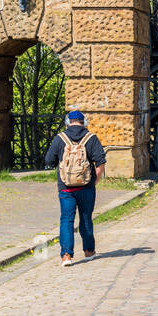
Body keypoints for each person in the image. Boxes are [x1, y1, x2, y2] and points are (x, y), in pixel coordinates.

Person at [45, 109, 107, 267]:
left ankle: (66, 256)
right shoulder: (91, 138)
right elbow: (100, 162)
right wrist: (94, 181)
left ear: (67, 122)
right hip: (86, 188)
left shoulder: (60, 138)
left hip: (66, 188)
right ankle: (88, 252)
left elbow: (49, 160)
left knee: (66, 220)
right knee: (86, 218)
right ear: (84, 122)